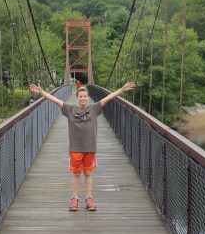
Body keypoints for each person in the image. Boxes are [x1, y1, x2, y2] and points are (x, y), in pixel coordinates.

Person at [29, 81, 135, 211]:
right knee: (76, 174)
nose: (83, 98)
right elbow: (55, 100)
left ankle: (89, 199)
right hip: (75, 148)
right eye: (81, 96)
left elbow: (108, 97)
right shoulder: (70, 109)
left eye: (85, 96)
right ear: (77, 97)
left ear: (88, 98)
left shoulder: (94, 109)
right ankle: (74, 200)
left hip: (90, 147)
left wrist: (122, 89)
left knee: (88, 173)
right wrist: (42, 92)